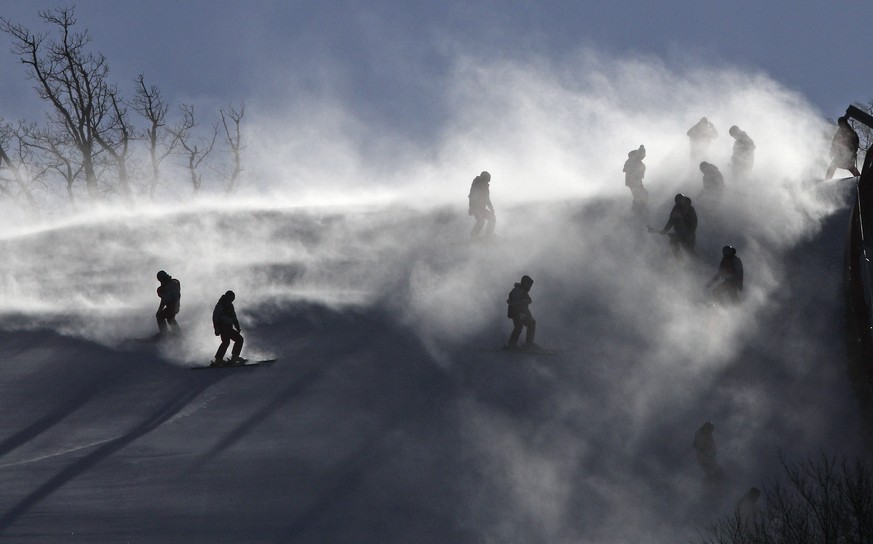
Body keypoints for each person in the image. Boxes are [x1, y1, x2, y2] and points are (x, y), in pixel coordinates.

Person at [212, 290, 246, 365]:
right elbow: (215, 317)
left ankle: (235, 356)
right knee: (226, 342)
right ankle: (218, 359)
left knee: (239, 339)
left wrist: (237, 327)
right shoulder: (220, 304)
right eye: (231, 298)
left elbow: (234, 317)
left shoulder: (230, 305)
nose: (231, 300)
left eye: (232, 298)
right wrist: (216, 328)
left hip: (229, 327)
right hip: (223, 327)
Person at [506, 275, 538, 350]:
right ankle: (528, 344)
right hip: (517, 313)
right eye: (529, 285)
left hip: (519, 313)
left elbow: (525, 305)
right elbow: (515, 302)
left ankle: (512, 344)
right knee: (530, 324)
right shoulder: (518, 290)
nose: (530, 287)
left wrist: (528, 314)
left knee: (519, 327)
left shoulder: (522, 291)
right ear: (525, 283)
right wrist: (520, 311)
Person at [468, 170, 496, 238]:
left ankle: (488, 236)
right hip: (476, 208)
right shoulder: (477, 187)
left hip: (481, 208)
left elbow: (487, 200)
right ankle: (473, 236)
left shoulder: (486, 189)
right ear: (484, 179)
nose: (488, 182)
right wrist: (472, 208)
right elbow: (472, 196)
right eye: (487, 180)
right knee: (481, 221)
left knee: (492, 218)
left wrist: (491, 209)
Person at [623, 145, 648, 214]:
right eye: (642, 155)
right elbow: (625, 169)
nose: (643, 157)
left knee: (641, 195)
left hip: (636, 182)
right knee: (639, 195)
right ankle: (637, 211)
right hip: (633, 182)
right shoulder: (632, 161)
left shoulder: (637, 162)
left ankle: (638, 210)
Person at [155, 270, 181, 336]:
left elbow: (175, 295)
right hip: (173, 306)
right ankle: (177, 332)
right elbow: (164, 299)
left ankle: (165, 334)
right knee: (170, 319)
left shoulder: (172, 284)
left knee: (160, 316)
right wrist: (160, 309)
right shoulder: (166, 286)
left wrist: (160, 310)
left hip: (173, 306)